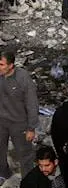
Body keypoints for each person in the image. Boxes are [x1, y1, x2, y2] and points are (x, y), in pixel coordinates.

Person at [0, 48, 39, 180]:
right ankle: (3, 174)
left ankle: (28, 182)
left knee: (25, 155)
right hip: (1, 121)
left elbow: (32, 103)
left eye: (1, 65)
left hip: (19, 123)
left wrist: (31, 128)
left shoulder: (22, 78)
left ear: (11, 65)